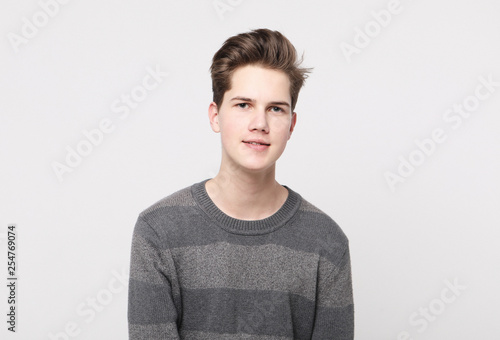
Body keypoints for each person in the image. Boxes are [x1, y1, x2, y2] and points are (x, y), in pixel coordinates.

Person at [128, 28, 354, 339]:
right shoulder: (158, 231)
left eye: (275, 109)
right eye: (243, 105)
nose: (259, 124)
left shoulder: (327, 243)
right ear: (215, 116)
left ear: (291, 124)